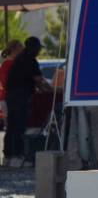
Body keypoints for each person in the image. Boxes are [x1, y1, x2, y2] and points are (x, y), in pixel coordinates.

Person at [3, 36, 51, 167]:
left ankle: (8, 156)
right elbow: (39, 80)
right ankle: (17, 157)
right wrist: (52, 89)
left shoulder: (19, 59)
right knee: (19, 125)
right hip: (21, 96)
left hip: (11, 96)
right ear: (35, 48)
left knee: (11, 126)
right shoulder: (30, 60)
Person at [0, 40, 24, 132]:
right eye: (20, 47)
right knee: (12, 129)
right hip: (8, 99)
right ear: (14, 49)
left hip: (11, 98)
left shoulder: (14, 63)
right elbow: (5, 82)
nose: (22, 49)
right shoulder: (8, 64)